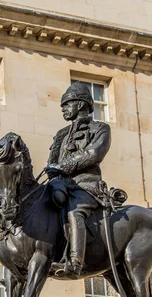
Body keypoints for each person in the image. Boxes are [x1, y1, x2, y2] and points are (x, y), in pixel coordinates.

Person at [45, 82, 112, 276]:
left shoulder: (100, 128)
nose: (63, 109)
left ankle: (75, 263)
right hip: (60, 185)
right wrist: (52, 171)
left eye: (67, 104)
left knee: (75, 212)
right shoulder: (61, 134)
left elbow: (94, 153)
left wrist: (63, 167)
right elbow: (52, 161)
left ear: (81, 104)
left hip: (86, 186)